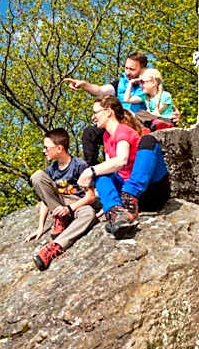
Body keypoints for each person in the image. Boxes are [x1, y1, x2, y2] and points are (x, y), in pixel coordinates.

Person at [78, 96, 171, 238]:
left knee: (149, 141)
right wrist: (106, 199)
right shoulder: (106, 138)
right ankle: (116, 212)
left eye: (95, 112)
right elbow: (111, 169)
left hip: (151, 191)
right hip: (130, 201)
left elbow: (121, 160)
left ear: (108, 112)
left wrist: (89, 171)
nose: (93, 117)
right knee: (101, 172)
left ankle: (129, 196)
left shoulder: (123, 131)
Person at [25, 128, 98, 270]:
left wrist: (69, 209)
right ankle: (60, 219)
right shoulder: (50, 170)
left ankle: (54, 247)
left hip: (77, 204)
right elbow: (46, 200)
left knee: (89, 214)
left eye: (46, 147)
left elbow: (90, 196)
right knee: (37, 176)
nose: (44, 151)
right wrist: (41, 227)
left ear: (59, 148)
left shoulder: (79, 165)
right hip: (60, 202)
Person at [64, 52, 149, 165]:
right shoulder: (120, 84)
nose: (127, 72)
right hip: (118, 124)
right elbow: (100, 91)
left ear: (143, 70)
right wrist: (84, 85)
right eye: (126, 68)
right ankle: (91, 168)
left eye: (132, 69)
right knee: (90, 132)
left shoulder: (150, 85)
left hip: (136, 125)